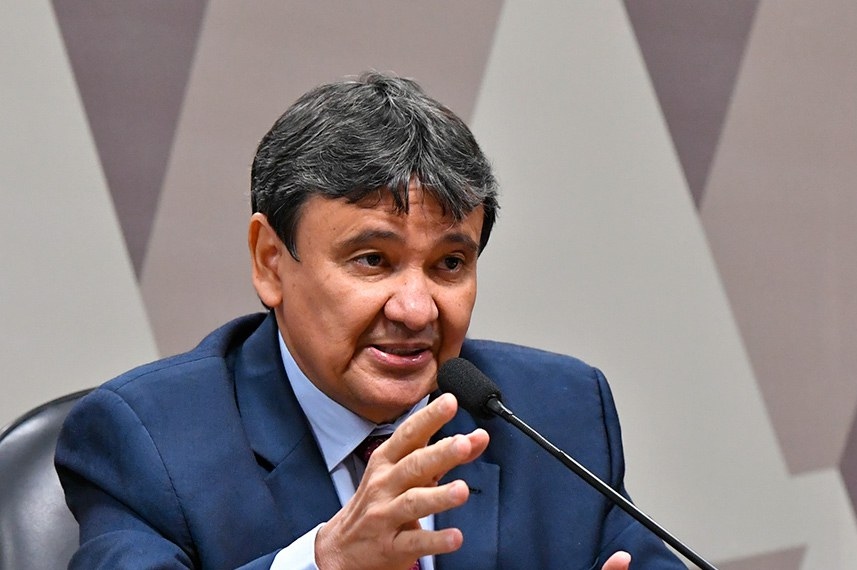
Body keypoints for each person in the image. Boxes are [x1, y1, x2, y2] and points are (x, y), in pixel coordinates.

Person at [56, 72, 685, 569]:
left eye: (449, 264)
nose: (415, 310)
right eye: (373, 260)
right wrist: (324, 563)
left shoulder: (559, 414)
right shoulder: (149, 440)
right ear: (271, 261)